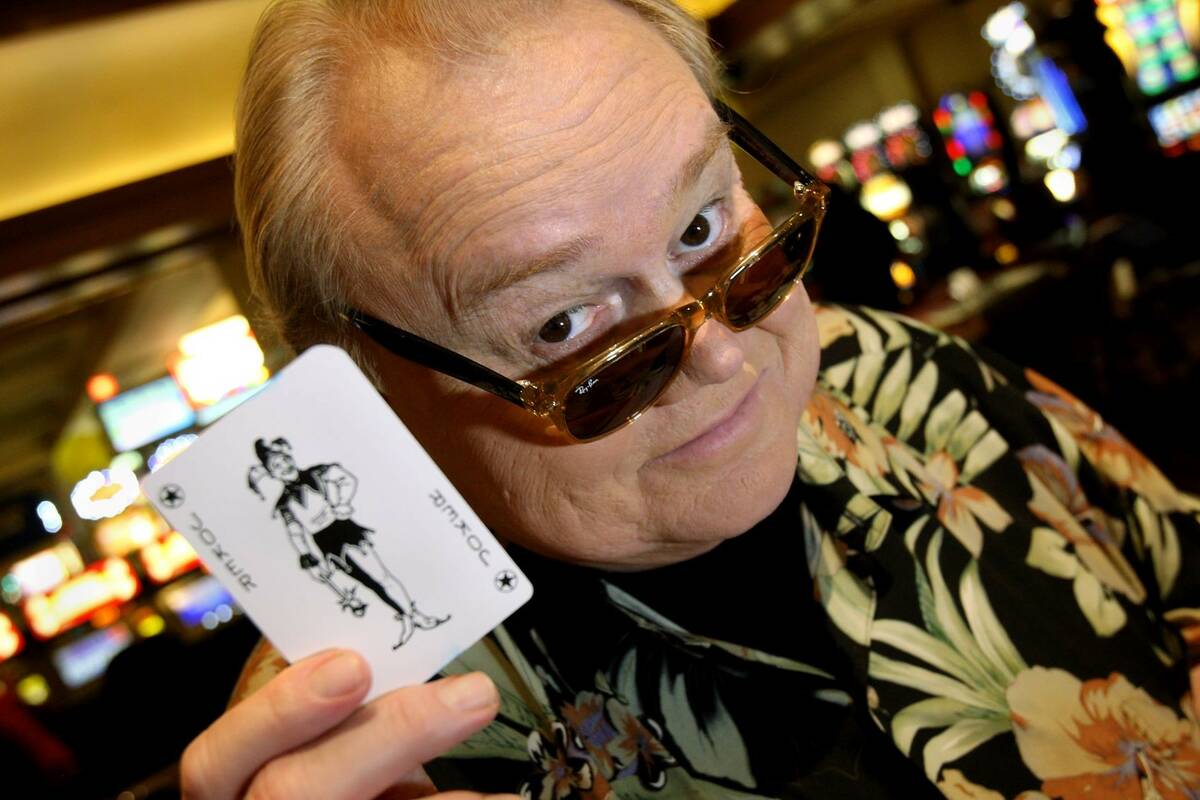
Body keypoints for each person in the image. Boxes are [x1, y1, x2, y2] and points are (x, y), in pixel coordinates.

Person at [179, 1, 1200, 798]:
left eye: (705, 224)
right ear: (362, 389)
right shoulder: (365, 742)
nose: (720, 355)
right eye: (563, 325)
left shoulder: (896, 372)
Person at [247, 436, 450, 646]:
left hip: (343, 530)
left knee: (382, 576)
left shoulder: (316, 473)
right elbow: (295, 532)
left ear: (289, 455)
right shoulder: (284, 504)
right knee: (369, 583)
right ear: (271, 473)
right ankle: (406, 616)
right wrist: (308, 557)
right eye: (276, 465)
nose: (283, 466)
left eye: (283, 459)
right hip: (324, 542)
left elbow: (346, 478)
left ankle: (415, 615)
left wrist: (341, 503)